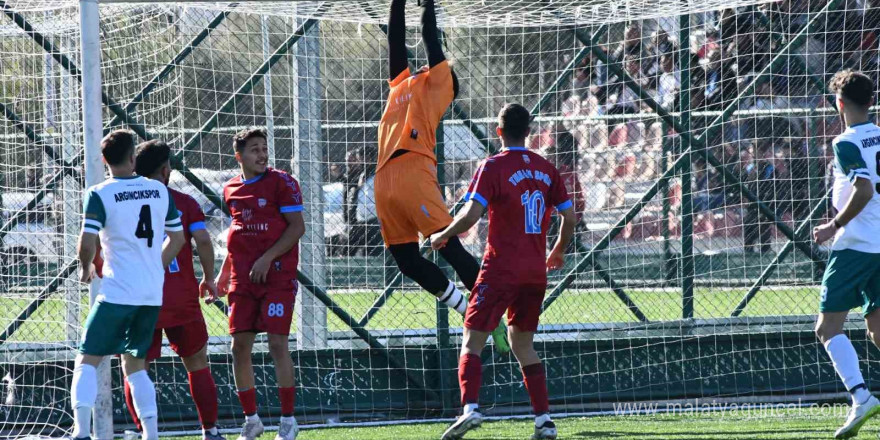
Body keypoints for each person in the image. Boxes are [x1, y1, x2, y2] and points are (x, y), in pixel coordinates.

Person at [433, 104, 577, 440]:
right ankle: (544, 421)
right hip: (534, 272)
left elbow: (471, 215)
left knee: (472, 340)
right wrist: (557, 249)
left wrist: (443, 235)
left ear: (499, 131)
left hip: (500, 269)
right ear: (529, 131)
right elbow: (569, 218)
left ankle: (469, 409)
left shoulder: (492, 166)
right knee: (522, 343)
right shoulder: (546, 168)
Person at [376, 0, 508, 351]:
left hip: (413, 171)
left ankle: (492, 313)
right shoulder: (402, 84)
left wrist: (429, 2)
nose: (423, 64)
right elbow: (396, 41)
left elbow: (429, 37)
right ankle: (469, 311)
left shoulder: (438, 83)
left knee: (448, 245)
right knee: (406, 261)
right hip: (384, 177)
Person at [71, 129, 185, 440]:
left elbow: (87, 240)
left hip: (117, 292)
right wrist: (153, 267)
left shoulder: (99, 193)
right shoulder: (159, 190)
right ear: (133, 158)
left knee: (87, 359)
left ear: (103, 160)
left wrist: (85, 268)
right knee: (135, 364)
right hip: (150, 294)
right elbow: (177, 239)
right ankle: (151, 435)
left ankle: (81, 432)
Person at [116, 140, 224, 440]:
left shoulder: (124, 202)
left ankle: (143, 431)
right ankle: (210, 430)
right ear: (166, 170)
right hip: (180, 298)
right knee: (197, 363)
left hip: (140, 296)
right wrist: (209, 278)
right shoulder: (184, 202)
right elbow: (203, 240)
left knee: (136, 367)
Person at [216, 128, 306, 440]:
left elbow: (297, 228)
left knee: (277, 344)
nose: (262, 154)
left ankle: (288, 421)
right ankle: (252, 421)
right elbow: (236, 236)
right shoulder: (230, 189)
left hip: (277, 276)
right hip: (243, 279)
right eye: (254, 149)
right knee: (239, 346)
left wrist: (267, 258)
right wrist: (223, 274)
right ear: (238, 155)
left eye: (264, 148)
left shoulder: (282, 182)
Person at [812, 69, 880, 439]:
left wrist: (833, 226)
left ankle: (861, 397)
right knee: (878, 330)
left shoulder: (845, 142)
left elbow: (865, 189)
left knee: (827, 327)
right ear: (871, 101)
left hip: (856, 246)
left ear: (839, 103)